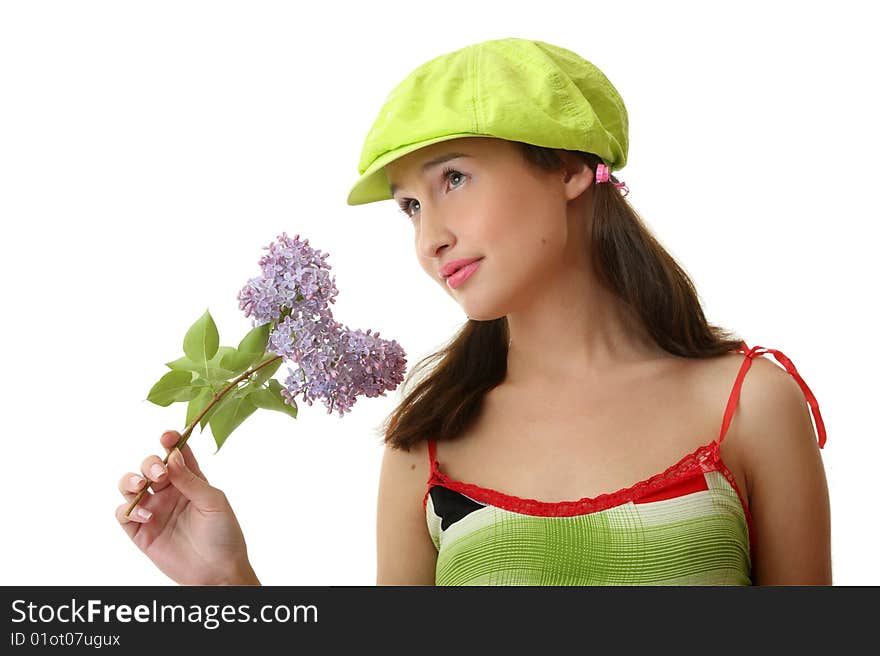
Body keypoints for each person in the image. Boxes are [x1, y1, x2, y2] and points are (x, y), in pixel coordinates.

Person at [117, 37, 831, 586]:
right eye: (410, 207)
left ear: (573, 168)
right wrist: (228, 586)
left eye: (454, 178)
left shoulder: (750, 407)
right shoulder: (425, 446)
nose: (431, 238)